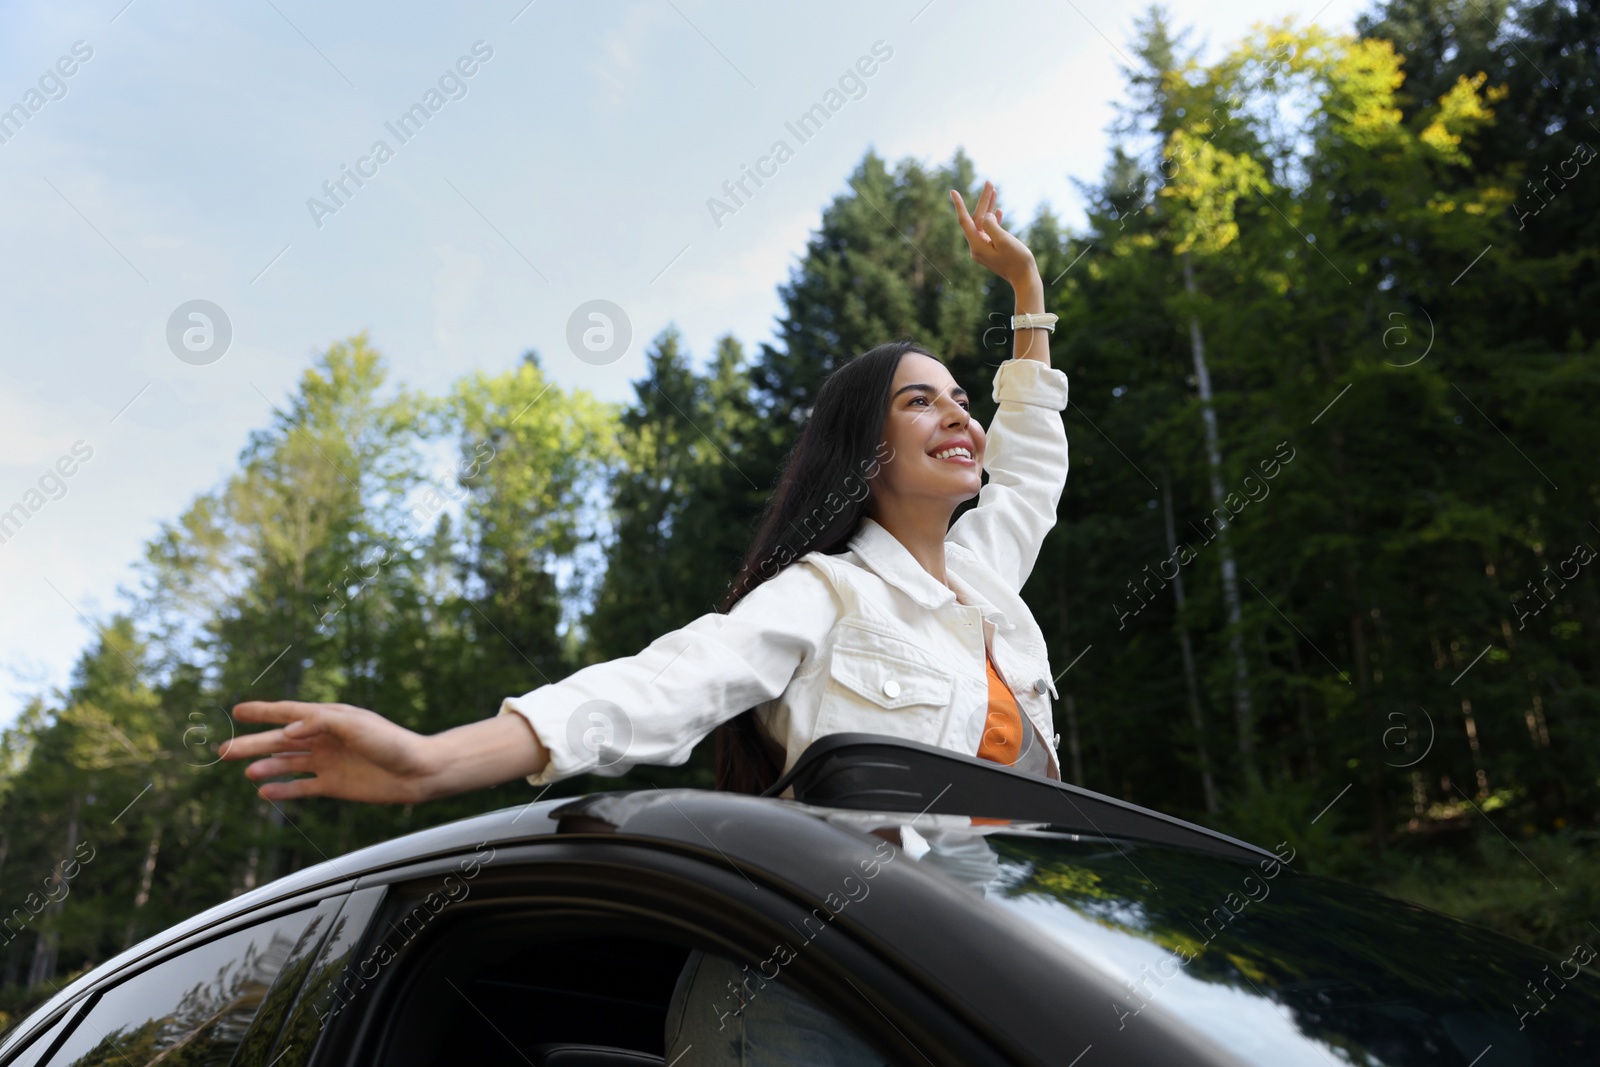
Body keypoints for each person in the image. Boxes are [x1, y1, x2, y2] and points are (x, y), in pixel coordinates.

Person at [220, 179, 1068, 1064]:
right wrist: (433, 762)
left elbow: (1033, 461)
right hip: (802, 997)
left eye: (960, 396)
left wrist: (1028, 295)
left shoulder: (986, 588)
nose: (960, 414)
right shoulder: (824, 592)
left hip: (947, 987)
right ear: (867, 448)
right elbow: (659, 688)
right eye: (920, 400)